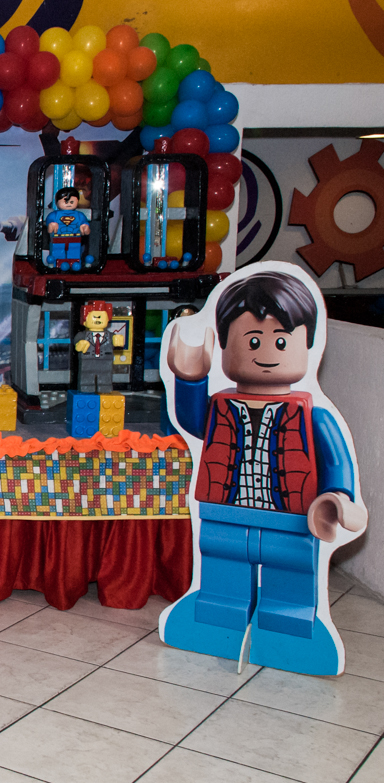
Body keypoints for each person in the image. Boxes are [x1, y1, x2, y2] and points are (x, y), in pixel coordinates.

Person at [161, 268, 367, 674]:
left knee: (290, 578)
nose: (266, 351)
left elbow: (336, 461)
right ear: (226, 347)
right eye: (252, 341)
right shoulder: (222, 404)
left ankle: (289, 632)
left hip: (292, 518)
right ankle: (216, 619)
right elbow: (193, 421)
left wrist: (339, 498)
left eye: (281, 340)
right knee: (222, 571)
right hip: (225, 512)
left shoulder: (314, 415)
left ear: (307, 345)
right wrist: (189, 378)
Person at [73, 300, 124, 394]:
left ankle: (105, 389)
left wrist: (118, 340)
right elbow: (76, 343)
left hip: (105, 361)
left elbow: (118, 343)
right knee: (86, 377)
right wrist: (79, 345)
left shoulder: (110, 336)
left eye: (101, 316)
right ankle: (86, 389)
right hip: (87, 361)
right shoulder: (82, 335)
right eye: (94, 316)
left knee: (105, 377)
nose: (97, 319)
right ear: (85, 321)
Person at [45, 186, 91, 270]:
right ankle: (57, 264)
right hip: (58, 239)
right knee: (58, 251)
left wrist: (85, 226)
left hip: (75, 238)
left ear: (77, 201)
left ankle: (75, 264)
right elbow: (49, 219)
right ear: (57, 202)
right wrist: (51, 224)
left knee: (74, 251)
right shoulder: (55, 215)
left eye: (72, 201)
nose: (69, 203)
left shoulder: (79, 215)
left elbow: (84, 222)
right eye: (65, 201)